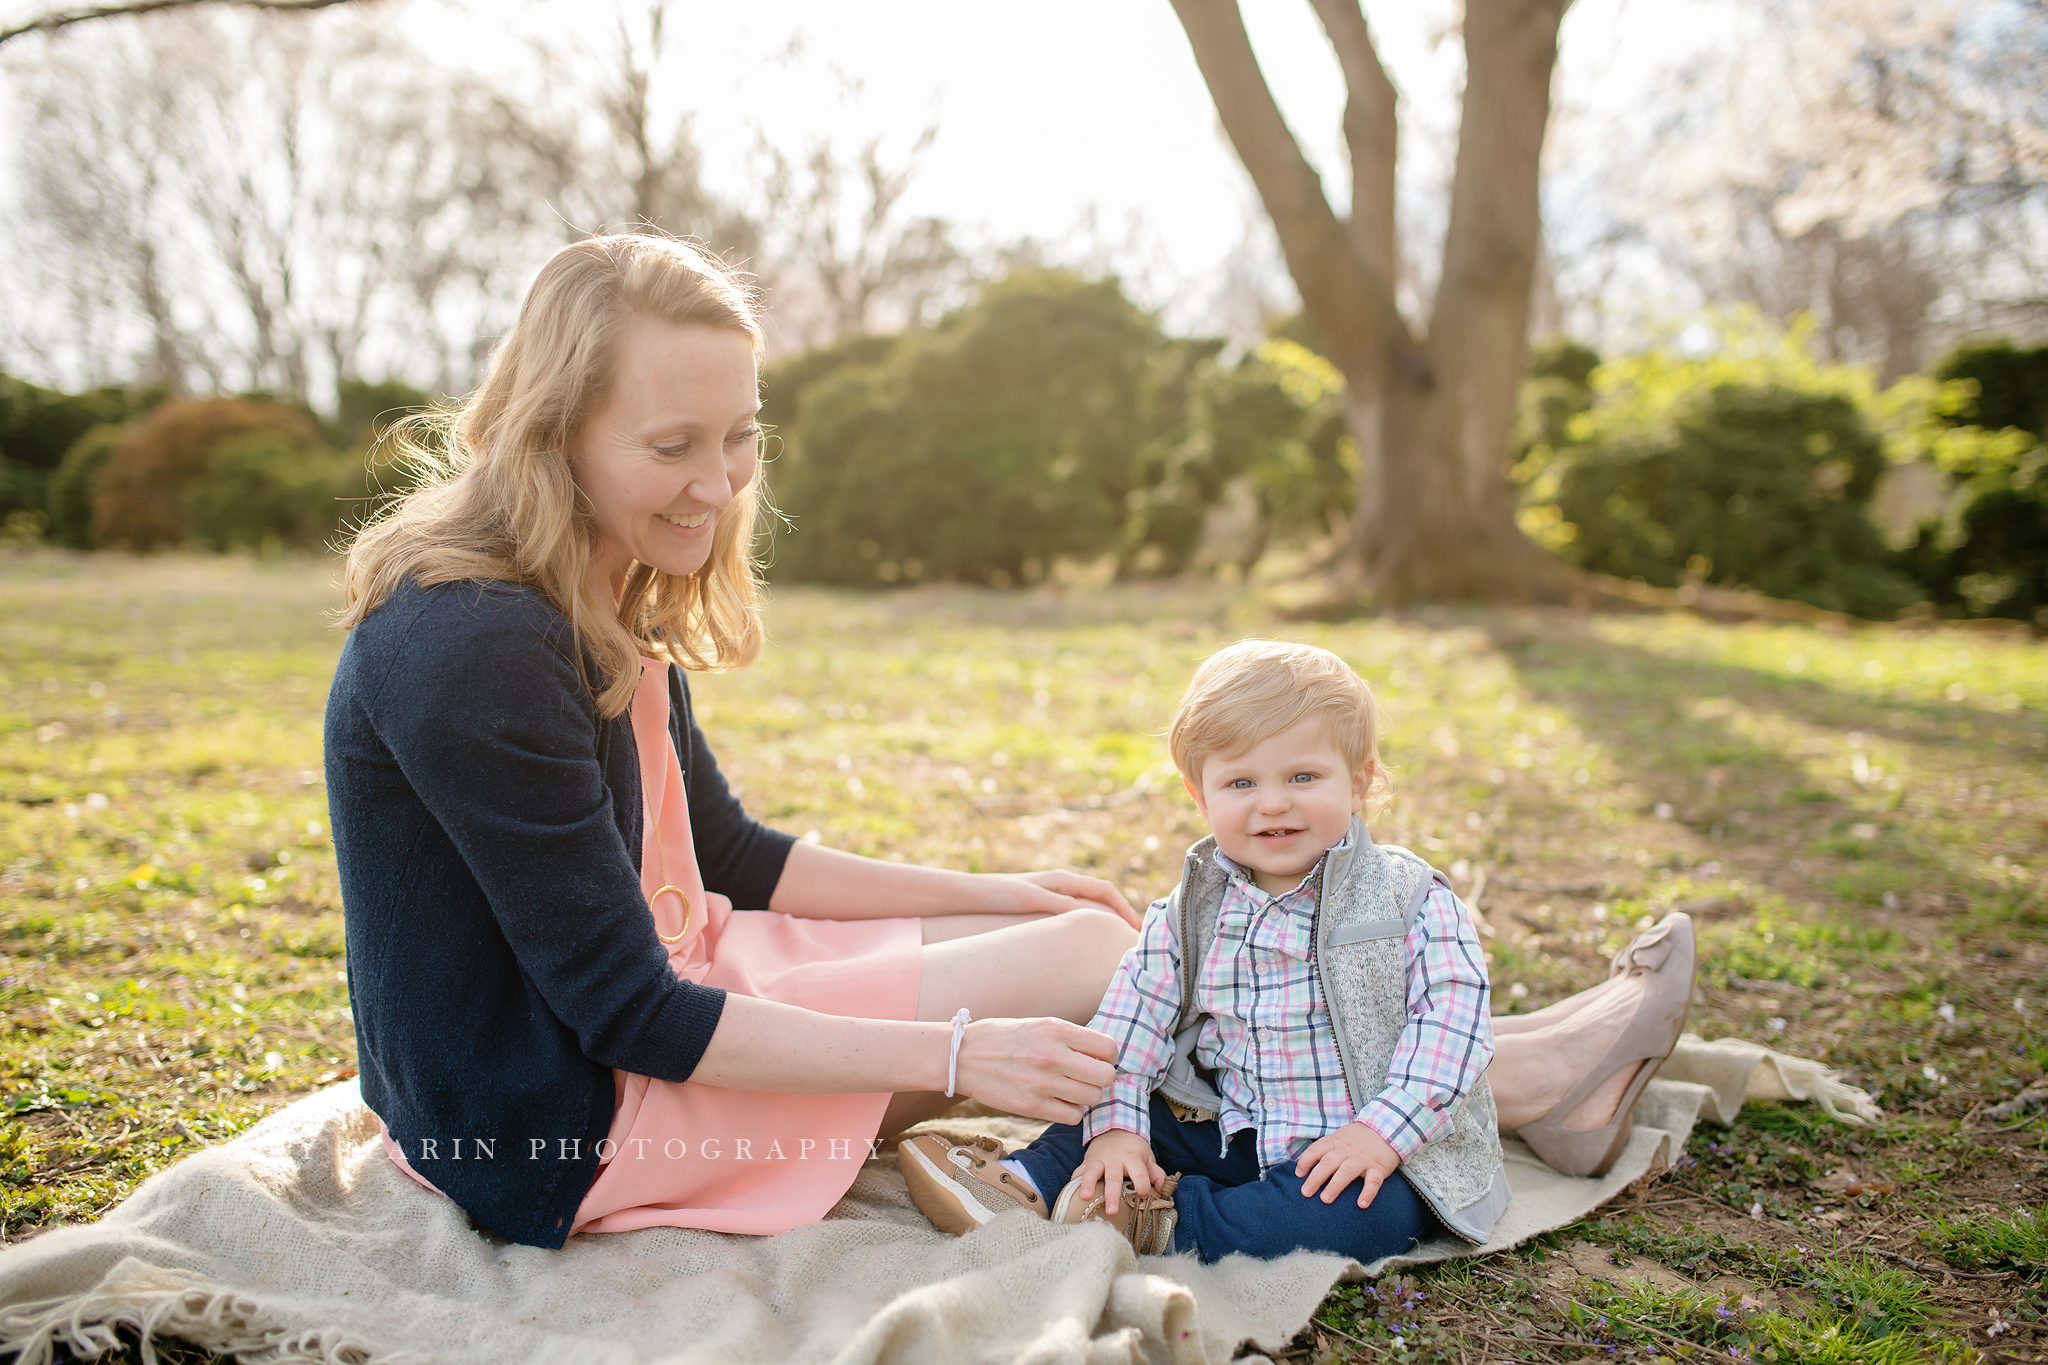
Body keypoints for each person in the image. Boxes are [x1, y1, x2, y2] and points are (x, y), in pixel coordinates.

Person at [326, 233, 1141, 1249]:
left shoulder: (599, 570)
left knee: (1090, 935)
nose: (716, 486)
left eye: (739, 435)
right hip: (554, 1125)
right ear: (554, 434)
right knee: (1101, 960)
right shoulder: (475, 642)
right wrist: (955, 1057)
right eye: (672, 447)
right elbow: (628, 1015)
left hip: (686, 969)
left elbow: (727, 855)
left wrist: (997, 892)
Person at [898, 642, 1693, 1263]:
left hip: (1351, 1147)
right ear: (1198, 794)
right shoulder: (1187, 908)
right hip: (1221, 1122)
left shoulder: (1413, 899)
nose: (1272, 801)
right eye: (1240, 783)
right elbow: (1130, 1018)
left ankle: (1170, 1224)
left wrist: (1382, 1132)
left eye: (1303, 775)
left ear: (1360, 781)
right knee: (1123, 1105)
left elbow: (1452, 1031)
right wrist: (1114, 1124)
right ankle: (1032, 1178)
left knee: (1364, 1216)